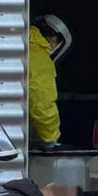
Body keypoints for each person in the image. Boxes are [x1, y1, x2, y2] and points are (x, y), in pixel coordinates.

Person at [29, 14, 73, 148]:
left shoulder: (22, 44)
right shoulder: (40, 58)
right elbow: (41, 102)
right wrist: (50, 137)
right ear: (53, 40)